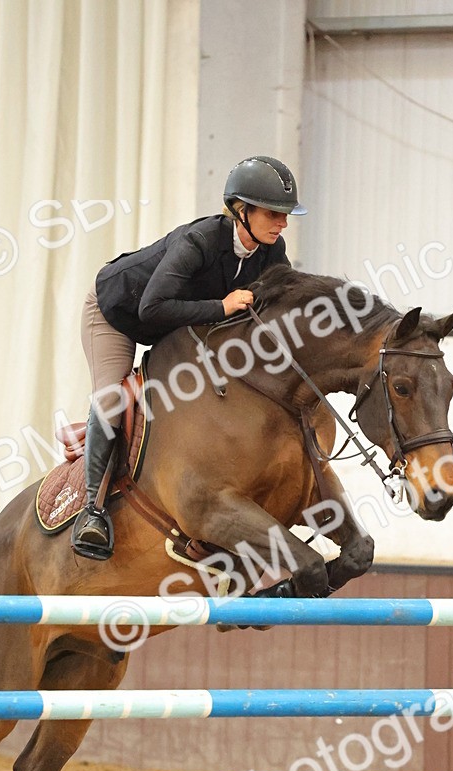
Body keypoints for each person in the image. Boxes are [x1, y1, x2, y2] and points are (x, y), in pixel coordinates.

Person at [71, 155, 307, 559]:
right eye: (273, 213)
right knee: (113, 398)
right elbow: (152, 308)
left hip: (175, 325)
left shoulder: (272, 251)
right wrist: (221, 307)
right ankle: (91, 512)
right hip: (118, 313)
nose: (282, 223)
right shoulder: (199, 242)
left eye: (285, 214)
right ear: (241, 210)